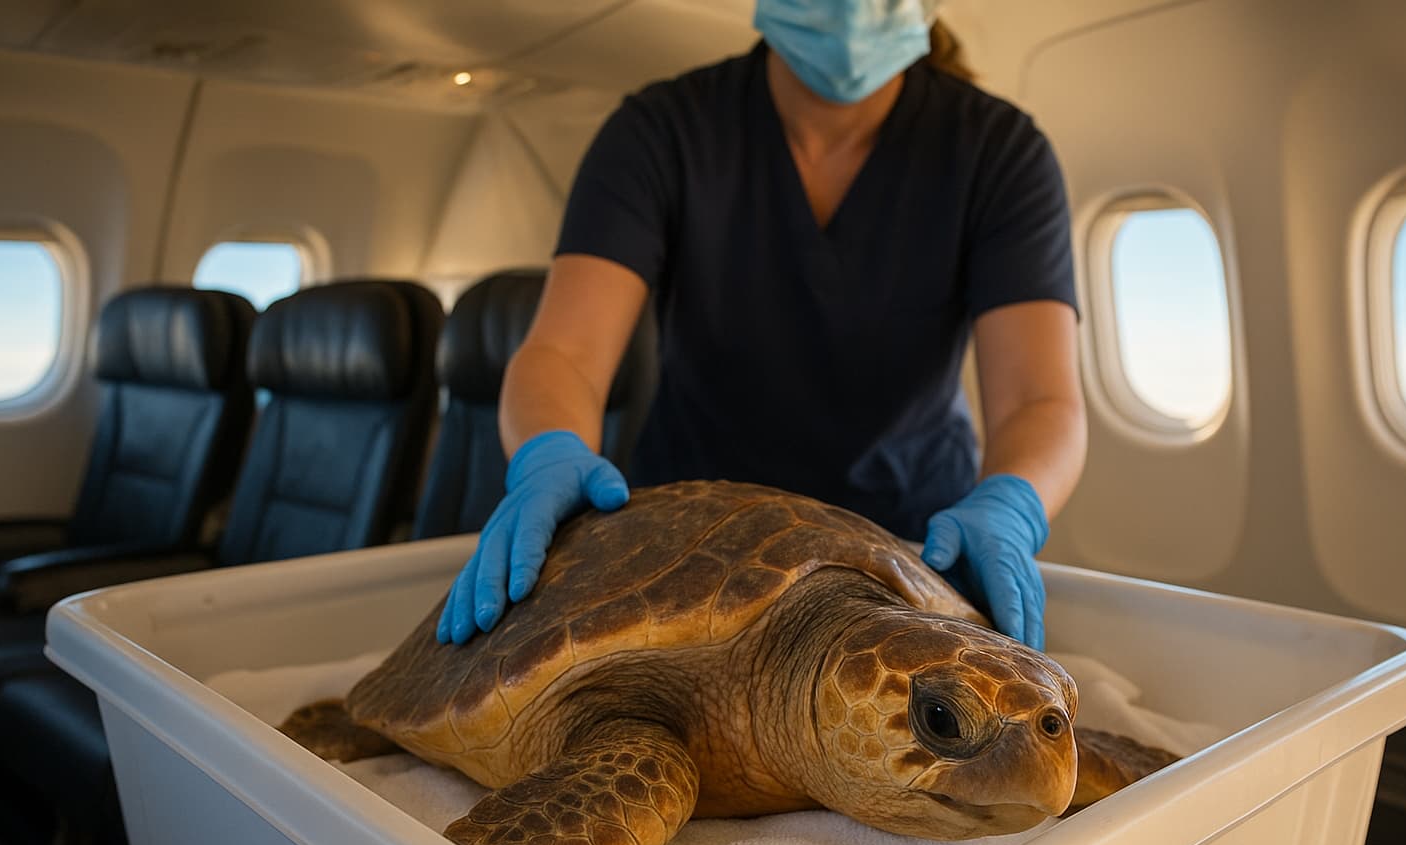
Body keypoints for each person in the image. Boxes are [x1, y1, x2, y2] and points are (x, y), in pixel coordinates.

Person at [438, 0, 1085, 652]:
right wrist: (550, 450)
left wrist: (1011, 503)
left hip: (912, 554)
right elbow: (563, 352)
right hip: (688, 554)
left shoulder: (998, 152)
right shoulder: (661, 131)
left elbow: (1040, 398)